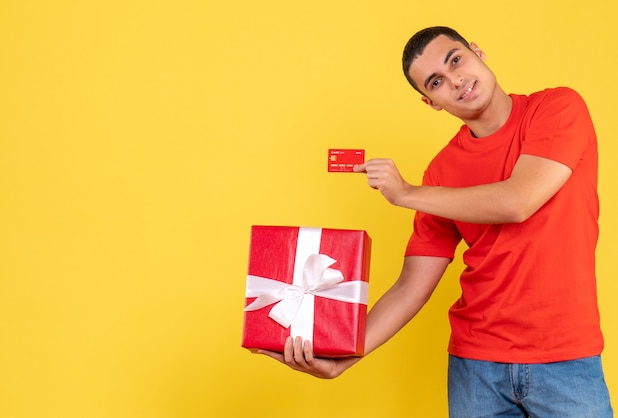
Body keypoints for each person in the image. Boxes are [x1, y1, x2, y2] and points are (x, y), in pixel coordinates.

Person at [255, 26, 614, 417]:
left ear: (477, 51)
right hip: (475, 366)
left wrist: (406, 193)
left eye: (455, 59)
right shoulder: (442, 171)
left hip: (566, 358)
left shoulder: (557, 108)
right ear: (431, 102)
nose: (456, 80)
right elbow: (411, 287)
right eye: (437, 82)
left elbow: (519, 201)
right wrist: (344, 357)